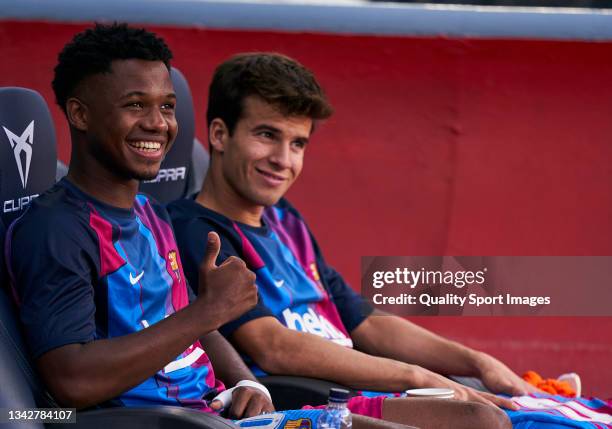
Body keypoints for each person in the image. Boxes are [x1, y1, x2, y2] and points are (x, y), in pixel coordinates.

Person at [4, 23, 416, 429]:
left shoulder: (151, 213)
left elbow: (186, 318)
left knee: (473, 415)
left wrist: (247, 384)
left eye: (166, 106)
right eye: (135, 105)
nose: (158, 123)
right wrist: (208, 312)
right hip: (165, 422)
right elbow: (72, 381)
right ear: (80, 113)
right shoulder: (55, 228)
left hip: (217, 415)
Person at [168, 53, 514, 429]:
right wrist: (417, 376)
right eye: (267, 135)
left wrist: (476, 362)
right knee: (482, 420)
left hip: (360, 388)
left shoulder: (285, 219)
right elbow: (272, 348)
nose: (283, 159)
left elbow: (365, 323)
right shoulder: (196, 230)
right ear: (219, 134)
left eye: (297, 143)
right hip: (304, 402)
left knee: (514, 403)